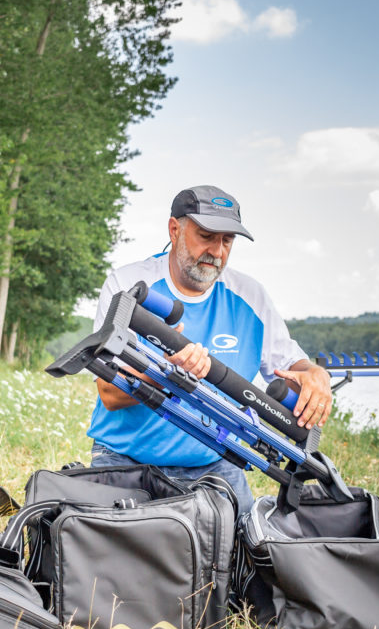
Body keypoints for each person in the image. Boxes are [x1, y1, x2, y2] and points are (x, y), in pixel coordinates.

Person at [86, 184, 333, 513]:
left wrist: (317, 376)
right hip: (125, 459)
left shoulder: (250, 296)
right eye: (206, 235)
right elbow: (110, 392)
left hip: (216, 462)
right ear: (175, 230)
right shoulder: (127, 285)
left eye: (227, 241)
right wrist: (168, 372)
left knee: (255, 554)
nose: (217, 251)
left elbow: (293, 366)